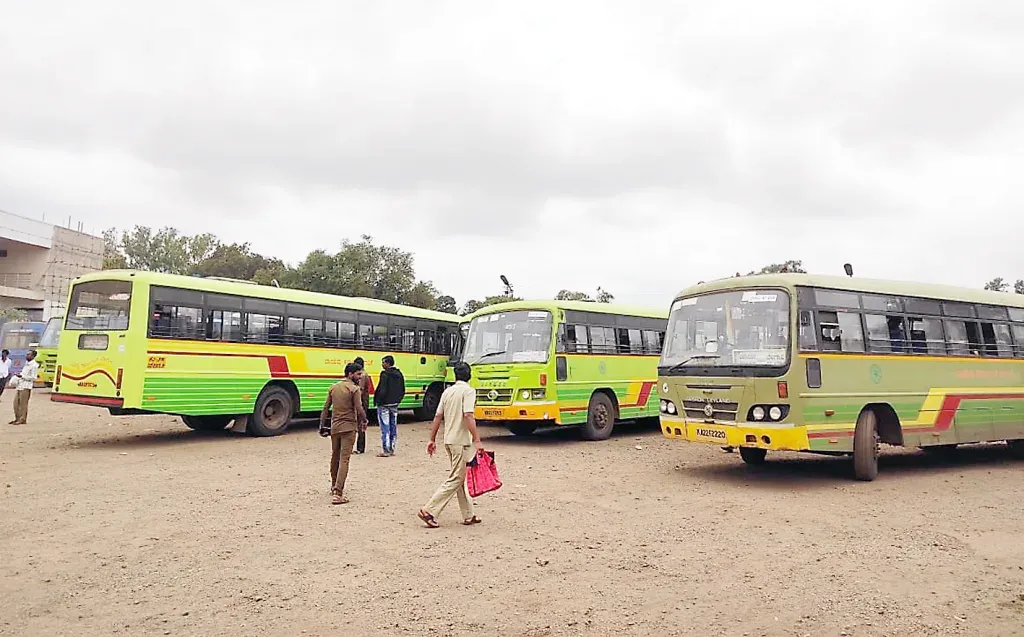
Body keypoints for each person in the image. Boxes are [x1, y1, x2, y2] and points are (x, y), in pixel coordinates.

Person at [418, 362, 485, 528]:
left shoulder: (447, 392)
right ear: (469, 375)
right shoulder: (468, 392)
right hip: (461, 441)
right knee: (456, 477)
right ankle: (429, 510)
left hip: (449, 439)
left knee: (459, 476)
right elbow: (468, 415)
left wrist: (432, 439)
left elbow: (437, 416)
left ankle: (469, 514)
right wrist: (477, 439)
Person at [319, 362, 367, 505]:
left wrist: (322, 425)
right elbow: (359, 408)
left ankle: (334, 485)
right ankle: (338, 493)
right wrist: (364, 420)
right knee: (344, 459)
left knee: (335, 456)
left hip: (335, 427)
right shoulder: (354, 389)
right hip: (349, 427)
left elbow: (326, 408)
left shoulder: (334, 387)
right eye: (358, 374)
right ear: (350, 374)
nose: (360, 377)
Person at [374, 355, 405, 457]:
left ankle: (386, 450)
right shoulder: (399, 374)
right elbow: (402, 390)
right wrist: (398, 400)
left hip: (384, 405)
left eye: (383, 362)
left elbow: (382, 390)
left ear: (388, 363)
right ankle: (392, 448)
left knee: (385, 427)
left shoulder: (385, 374)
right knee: (393, 426)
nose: (382, 364)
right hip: (395, 404)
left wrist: (379, 400)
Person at [9, 350, 39, 425]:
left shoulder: (34, 365)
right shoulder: (27, 364)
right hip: (20, 385)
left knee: (23, 404)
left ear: (33, 356)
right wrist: (20, 374)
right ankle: (17, 418)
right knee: (16, 403)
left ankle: (22, 419)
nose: (27, 356)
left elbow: (34, 378)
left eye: (29, 354)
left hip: (26, 386)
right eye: (27, 354)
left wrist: (22, 376)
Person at [352, 357, 375, 454]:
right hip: (363, 403)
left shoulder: (362, 376)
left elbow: (360, 390)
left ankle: (360, 448)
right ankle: (360, 447)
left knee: (360, 424)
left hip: (361, 403)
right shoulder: (364, 374)